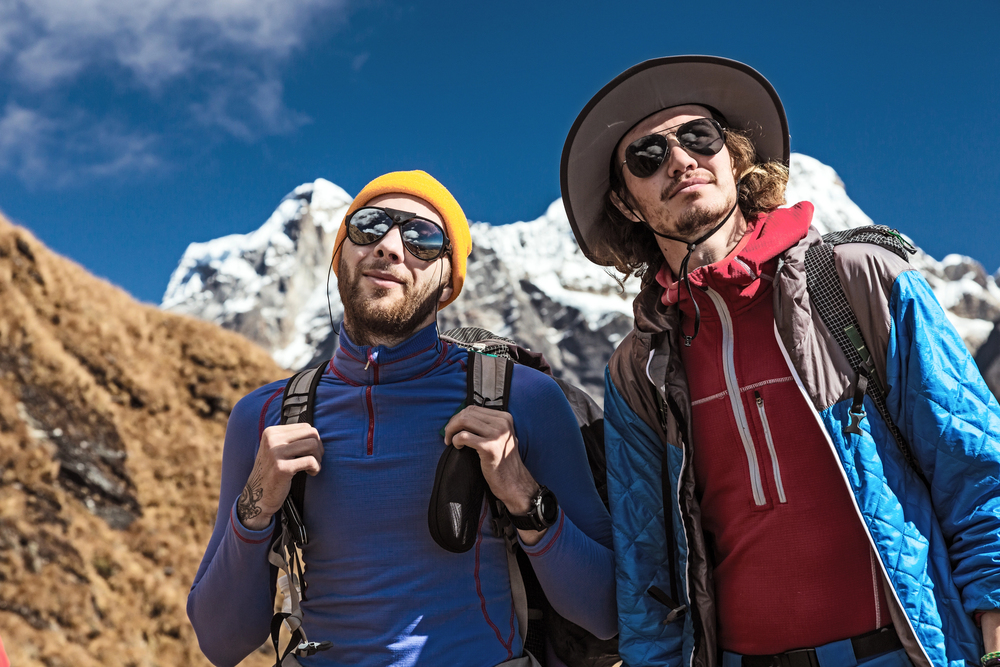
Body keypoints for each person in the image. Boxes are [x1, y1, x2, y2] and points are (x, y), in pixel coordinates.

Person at [559, 55, 1000, 667]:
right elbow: (646, 567)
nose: (682, 160)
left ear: (734, 158)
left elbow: (976, 464)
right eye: (647, 157)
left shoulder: (859, 281)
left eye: (698, 137)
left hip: (904, 652)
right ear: (628, 204)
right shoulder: (638, 370)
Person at [187, 170, 616, 667]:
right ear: (339, 254)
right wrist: (255, 505)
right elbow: (220, 643)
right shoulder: (262, 417)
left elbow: (607, 612)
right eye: (369, 226)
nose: (390, 246)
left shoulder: (525, 398)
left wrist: (524, 497)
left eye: (423, 239)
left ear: (447, 283)